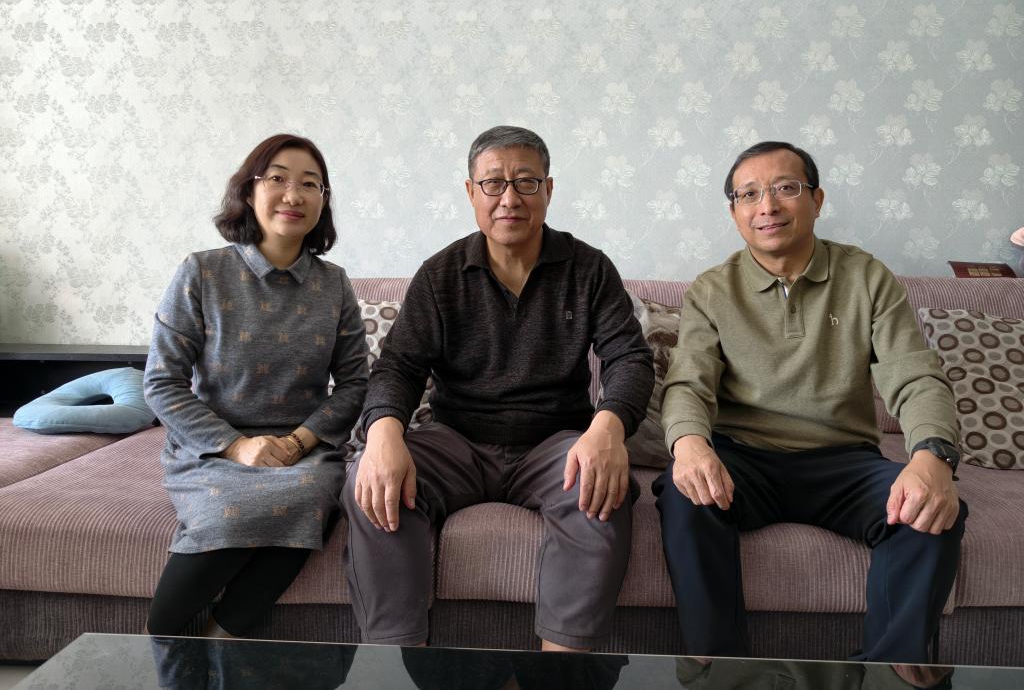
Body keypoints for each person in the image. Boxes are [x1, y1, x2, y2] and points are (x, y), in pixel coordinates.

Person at [342, 125, 654, 651]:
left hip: (554, 445)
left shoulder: (589, 268)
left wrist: (608, 428)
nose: (509, 198)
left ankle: (560, 672)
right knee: (371, 483)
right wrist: (383, 434)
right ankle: (396, 665)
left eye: (525, 182)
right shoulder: (440, 274)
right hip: (456, 441)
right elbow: (398, 367)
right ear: (471, 193)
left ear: (548, 190)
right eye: (493, 183)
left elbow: (629, 357)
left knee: (602, 491)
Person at [654, 141, 967, 663]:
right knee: (684, 495)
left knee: (932, 510)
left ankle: (886, 674)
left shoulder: (866, 276)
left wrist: (933, 455)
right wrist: (688, 444)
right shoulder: (711, 290)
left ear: (817, 200)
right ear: (734, 213)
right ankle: (722, 673)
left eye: (785, 188)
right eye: (749, 195)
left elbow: (914, 376)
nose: (767, 206)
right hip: (742, 460)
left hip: (843, 462)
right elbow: (688, 383)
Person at [144, 133, 368, 637]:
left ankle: (221, 639)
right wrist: (237, 446)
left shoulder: (334, 284)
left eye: (310, 184)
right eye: (278, 179)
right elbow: (162, 382)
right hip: (213, 447)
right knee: (229, 512)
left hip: (302, 448)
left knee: (314, 496)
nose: (294, 195)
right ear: (249, 191)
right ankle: (160, 640)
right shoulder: (202, 272)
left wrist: (298, 443)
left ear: (323, 201)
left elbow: (356, 383)